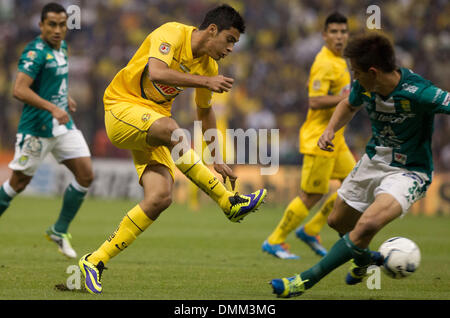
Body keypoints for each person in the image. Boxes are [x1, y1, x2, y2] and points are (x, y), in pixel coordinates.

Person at [79, 4, 266, 294]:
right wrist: (205, 81)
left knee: (160, 197)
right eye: (229, 39)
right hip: (121, 109)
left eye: (235, 44)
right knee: (172, 129)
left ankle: (95, 260)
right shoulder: (172, 33)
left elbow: (205, 113)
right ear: (212, 30)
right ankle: (227, 202)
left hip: (151, 123)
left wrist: (216, 158)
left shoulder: (209, 67)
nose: (231, 48)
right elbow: (156, 73)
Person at [270, 32, 450, 297]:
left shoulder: (420, 92)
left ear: (374, 71)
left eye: (356, 72)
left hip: (409, 171)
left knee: (366, 225)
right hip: (373, 160)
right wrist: (330, 129)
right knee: (337, 221)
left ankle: (303, 281)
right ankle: (364, 260)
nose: (353, 77)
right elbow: (348, 105)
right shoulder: (364, 86)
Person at [0, 3, 93, 259]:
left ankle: (58, 230)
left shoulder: (62, 47)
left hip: (63, 125)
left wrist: (65, 99)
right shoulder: (34, 52)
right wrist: (53, 107)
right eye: (51, 24)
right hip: (37, 129)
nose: (57, 29)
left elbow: (56, 80)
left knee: (86, 175)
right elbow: (18, 90)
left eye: (62, 24)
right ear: (41, 25)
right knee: (18, 183)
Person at [262, 12, 354, 259]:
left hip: (337, 138)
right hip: (319, 139)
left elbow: (316, 88)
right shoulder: (324, 62)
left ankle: (311, 230)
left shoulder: (338, 61)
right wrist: (349, 98)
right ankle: (275, 240)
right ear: (324, 36)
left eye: (343, 32)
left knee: (354, 184)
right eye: (333, 32)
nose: (339, 36)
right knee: (311, 195)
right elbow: (314, 100)